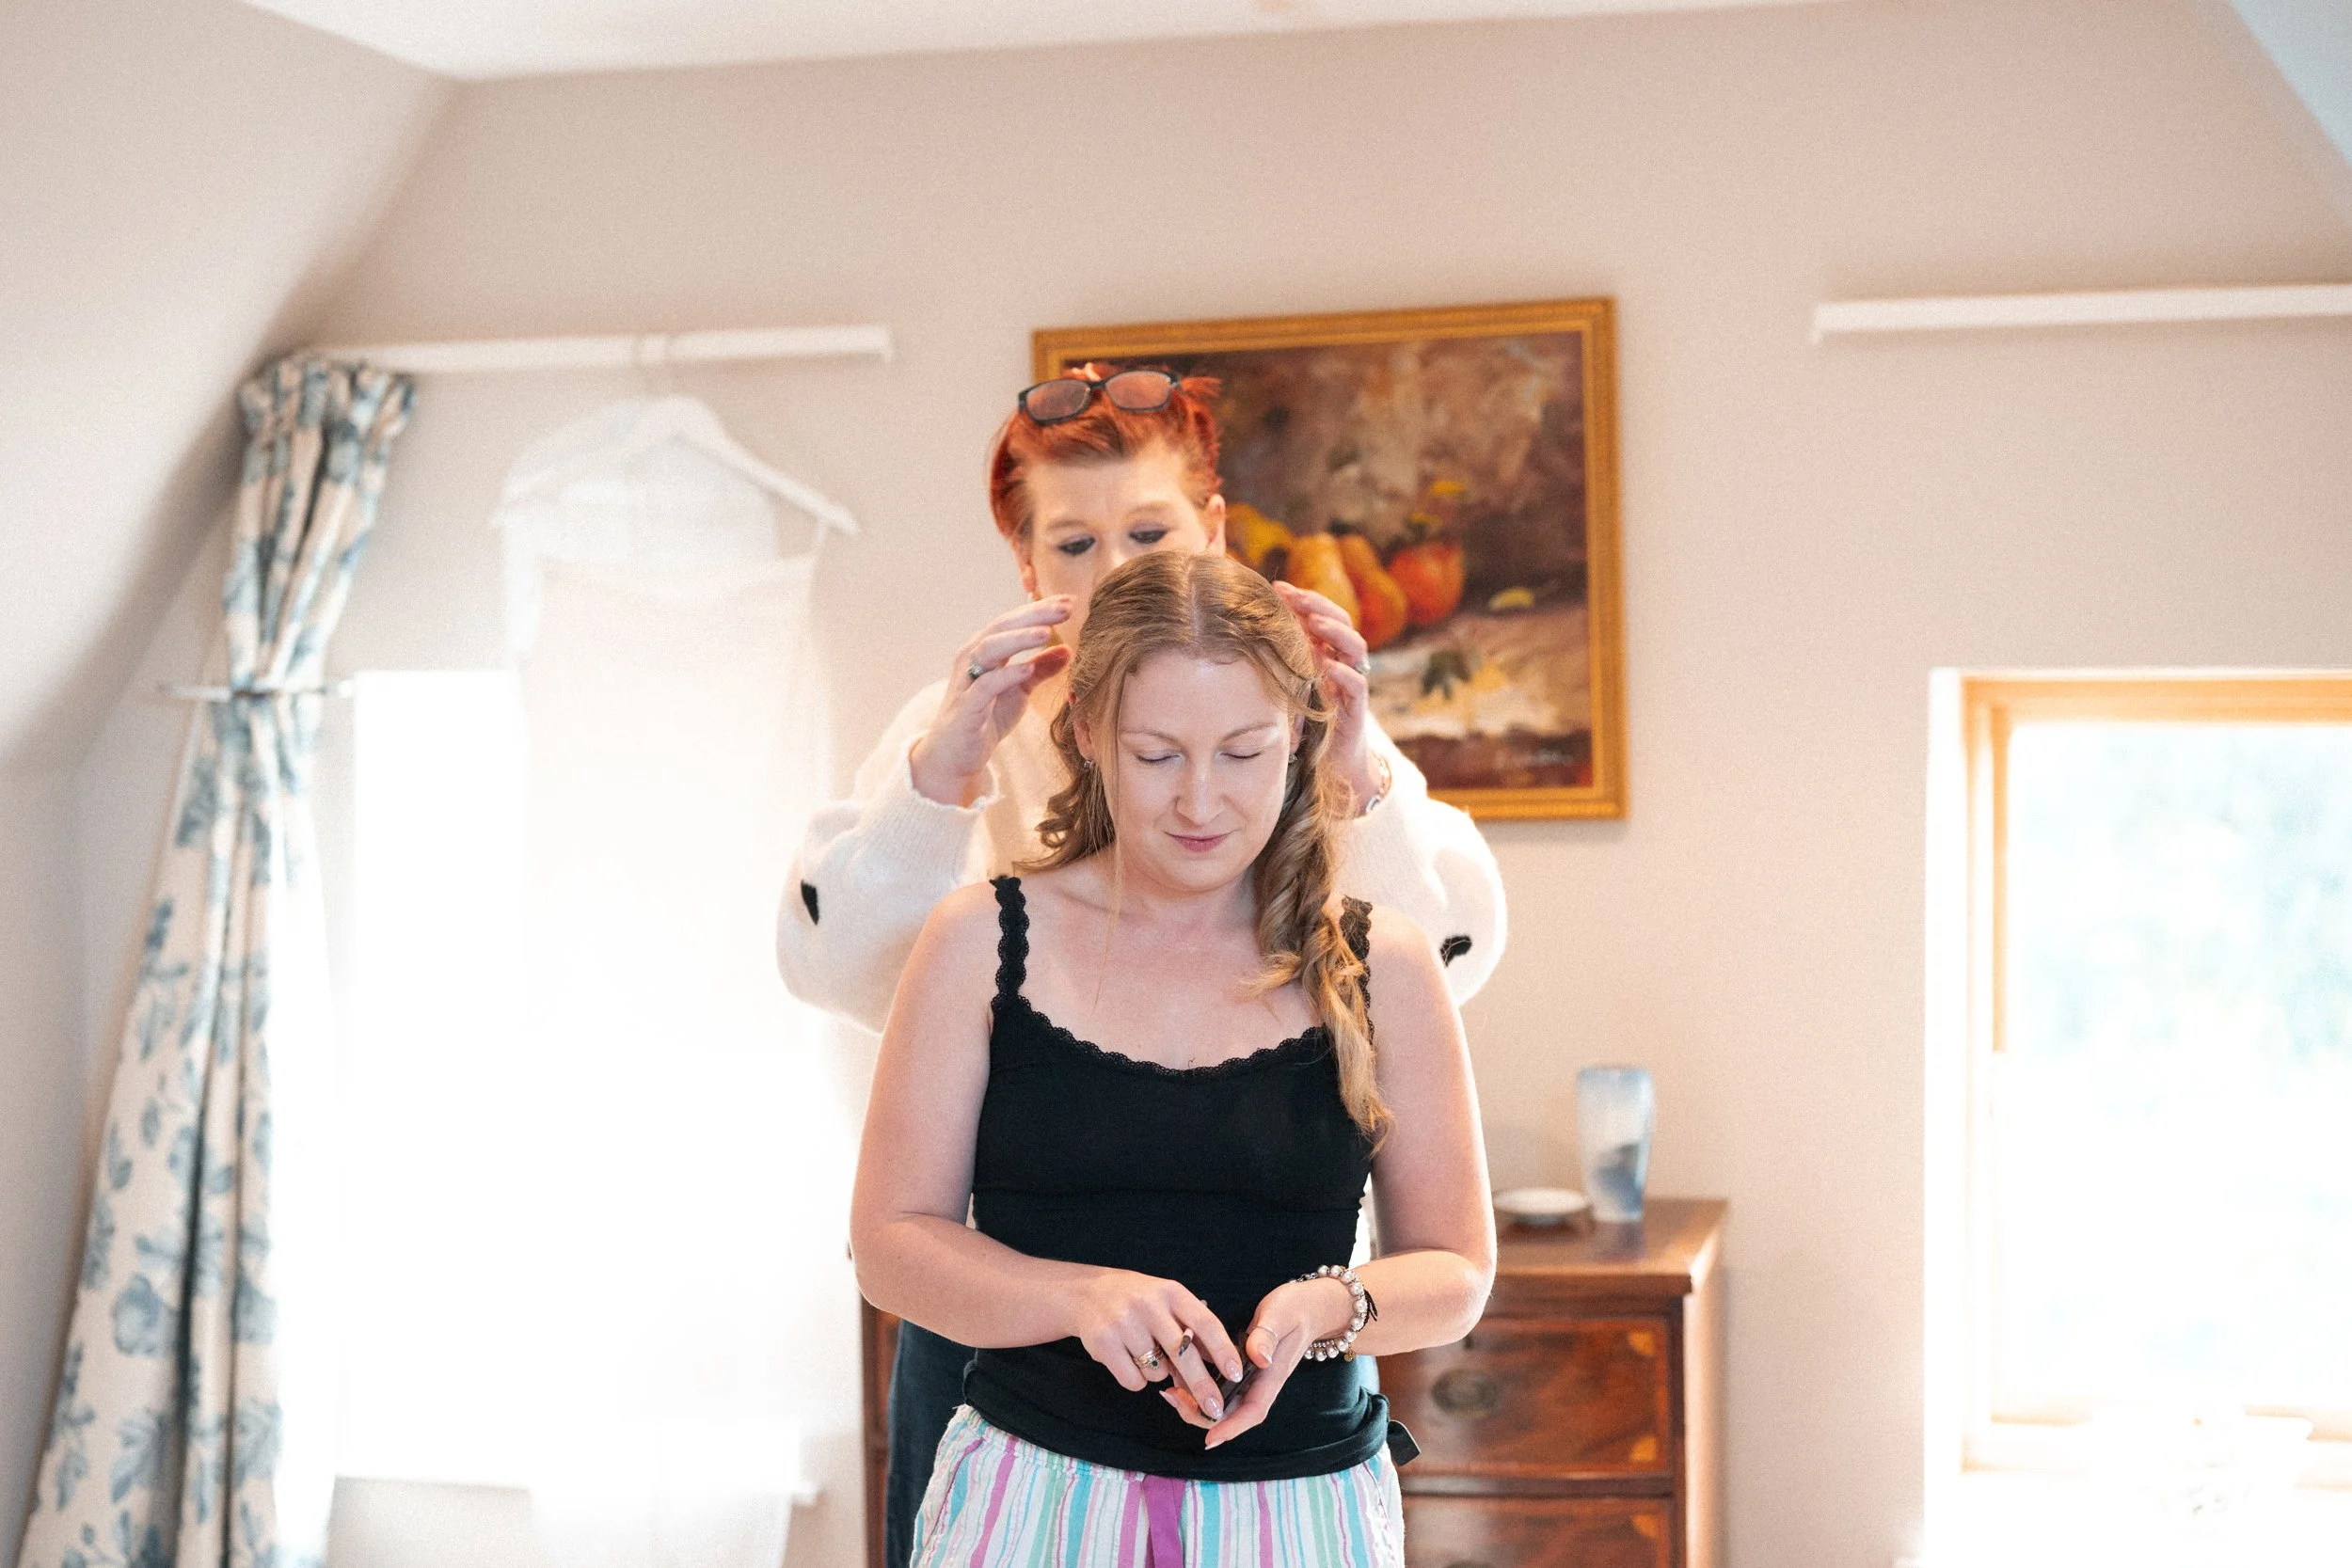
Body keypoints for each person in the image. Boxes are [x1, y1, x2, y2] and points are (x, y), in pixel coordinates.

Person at [778, 365, 1508, 1567]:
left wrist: (1354, 770)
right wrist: (939, 777)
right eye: (1075, 542)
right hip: (1015, 1407)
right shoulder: (968, 786)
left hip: (1295, 1487)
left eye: (1148, 533)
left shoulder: (1369, 916)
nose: (1200, 801)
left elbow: (1428, 965)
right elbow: (846, 986)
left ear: (1211, 530)